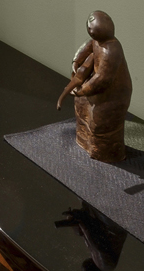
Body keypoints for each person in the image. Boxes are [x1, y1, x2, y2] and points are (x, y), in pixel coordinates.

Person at [56, 11, 132, 164]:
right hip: (94, 89)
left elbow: (102, 79)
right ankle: (85, 143)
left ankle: (105, 152)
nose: (91, 32)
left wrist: (82, 90)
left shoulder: (111, 49)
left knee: (101, 123)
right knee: (82, 107)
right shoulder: (95, 41)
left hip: (112, 95)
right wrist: (76, 64)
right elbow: (81, 54)